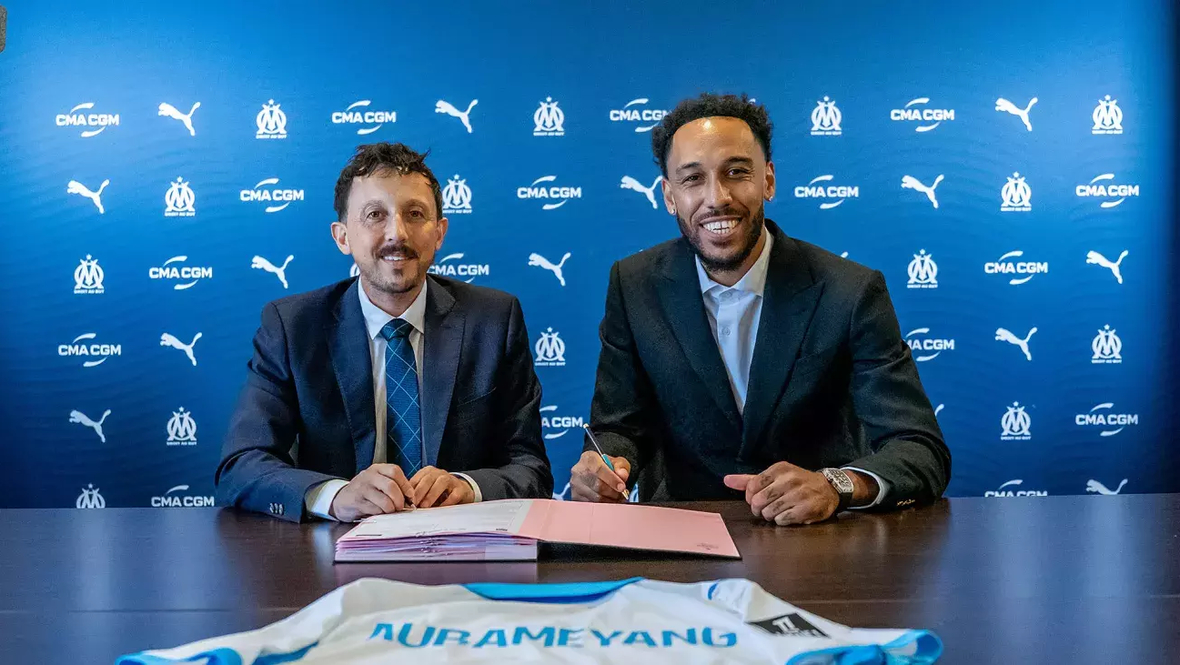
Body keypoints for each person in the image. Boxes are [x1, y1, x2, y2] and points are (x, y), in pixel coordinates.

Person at [571, 94, 949, 525]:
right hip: (682, 538)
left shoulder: (850, 291)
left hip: (818, 541)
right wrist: (604, 466)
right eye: (693, 179)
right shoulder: (633, 285)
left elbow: (920, 450)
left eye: (736, 172)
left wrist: (836, 485)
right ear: (669, 196)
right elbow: (618, 427)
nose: (717, 198)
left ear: (768, 180)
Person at [216, 142, 552, 522]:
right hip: (335, 547)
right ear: (342, 236)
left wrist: (468, 487)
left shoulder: (493, 321)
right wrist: (335, 495)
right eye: (375, 215)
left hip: (459, 543)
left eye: (415, 214)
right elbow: (241, 466)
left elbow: (531, 470)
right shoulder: (292, 327)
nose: (397, 233)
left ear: (439, 233)